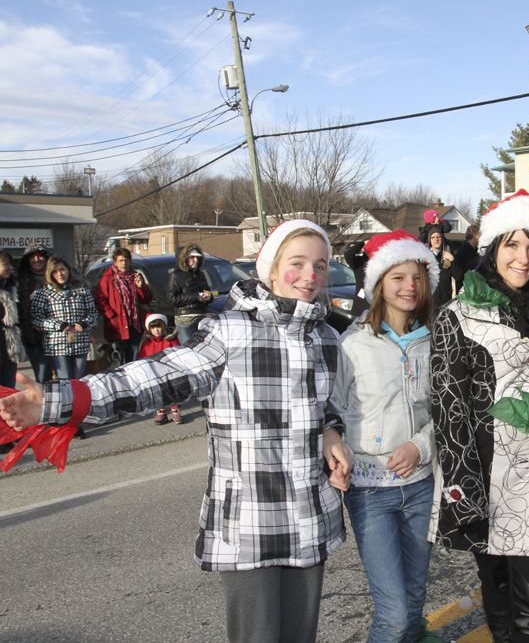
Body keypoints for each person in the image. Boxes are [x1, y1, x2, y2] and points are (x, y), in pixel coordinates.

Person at [0, 220, 352, 643]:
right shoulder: (230, 332)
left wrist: (331, 431)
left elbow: (326, 403)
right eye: (298, 263)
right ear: (271, 269)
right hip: (249, 522)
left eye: (320, 264)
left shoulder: (327, 338)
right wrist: (59, 400)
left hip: (310, 515)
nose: (311, 275)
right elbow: (152, 379)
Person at [430, 189, 529, 643]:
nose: (523, 258)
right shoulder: (459, 314)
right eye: (511, 244)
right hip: (485, 478)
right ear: (491, 249)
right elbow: (449, 409)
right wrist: (465, 491)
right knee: (500, 597)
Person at [331, 230, 441, 643]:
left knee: (414, 601)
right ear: (378, 284)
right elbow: (332, 411)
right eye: (397, 277)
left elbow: (447, 410)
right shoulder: (353, 343)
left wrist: (421, 445)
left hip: (420, 487)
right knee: (394, 615)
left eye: (416, 277)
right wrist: (334, 447)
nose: (408, 286)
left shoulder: (435, 342)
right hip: (370, 491)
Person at [31, 256, 97, 382]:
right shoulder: (43, 293)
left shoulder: (82, 291)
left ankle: (78, 402)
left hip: (80, 343)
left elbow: (93, 314)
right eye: (55, 271)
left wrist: (85, 323)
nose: (60, 274)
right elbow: (37, 320)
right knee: (64, 380)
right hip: (57, 345)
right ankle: (66, 402)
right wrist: (57, 325)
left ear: (67, 270)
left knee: (78, 381)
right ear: (50, 274)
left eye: (62, 270)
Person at [94, 247, 153, 364]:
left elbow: (146, 299)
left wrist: (141, 287)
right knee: (117, 361)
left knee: (133, 358)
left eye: (126, 260)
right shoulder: (108, 278)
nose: (124, 263)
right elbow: (99, 300)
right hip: (117, 326)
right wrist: (111, 315)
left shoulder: (136, 276)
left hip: (134, 324)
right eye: (120, 260)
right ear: (115, 262)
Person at [137, 313, 183, 424]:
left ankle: (175, 412)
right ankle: (161, 413)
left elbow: (178, 353)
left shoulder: (171, 340)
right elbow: (142, 358)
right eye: (153, 327)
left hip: (169, 370)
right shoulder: (146, 344)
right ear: (149, 329)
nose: (156, 330)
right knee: (158, 393)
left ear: (164, 326)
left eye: (158, 327)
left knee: (173, 391)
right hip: (154, 372)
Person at [16, 244, 52, 382]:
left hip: (60, 337)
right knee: (43, 378)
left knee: (64, 378)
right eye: (33, 257)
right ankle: (44, 403)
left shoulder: (58, 275)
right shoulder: (20, 281)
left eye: (40, 256)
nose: (37, 259)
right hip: (34, 339)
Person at [167, 243, 214, 344]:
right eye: (192, 257)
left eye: (197, 258)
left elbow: (208, 293)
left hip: (202, 317)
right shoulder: (175, 275)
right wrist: (197, 296)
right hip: (185, 319)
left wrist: (209, 296)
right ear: (184, 259)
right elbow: (172, 299)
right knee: (189, 349)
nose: (196, 260)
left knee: (203, 348)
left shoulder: (200, 274)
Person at [0, 250, 26, 389]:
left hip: (9, 353)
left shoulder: (11, 288)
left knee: (8, 394)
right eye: (5, 264)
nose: (10, 267)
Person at [425, 228, 455, 307]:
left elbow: (458, 276)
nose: (436, 239)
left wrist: (453, 260)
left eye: (438, 237)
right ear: (430, 240)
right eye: (433, 237)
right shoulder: (424, 257)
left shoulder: (449, 255)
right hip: (428, 301)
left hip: (445, 301)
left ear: (442, 239)